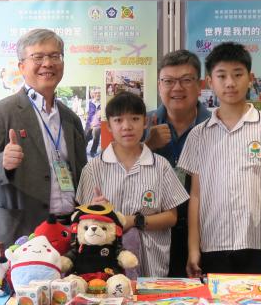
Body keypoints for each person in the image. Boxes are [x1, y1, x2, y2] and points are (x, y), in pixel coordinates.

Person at [178, 42, 261, 275]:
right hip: (214, 243)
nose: (230, 83)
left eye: (237, 74)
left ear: (250, 78)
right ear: (209, 82)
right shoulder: (198, 135)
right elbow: (195, 196)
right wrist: (193, 249)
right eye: (221, 76)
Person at [0, 28, 87, 245]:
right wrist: (2, 162)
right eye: (38, 57)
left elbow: (81, 176)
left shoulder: (71, 119)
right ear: (22, 66)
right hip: (21, 236)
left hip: (67, 234)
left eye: (55, 56)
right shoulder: (1, 112)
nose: (48, 63)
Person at [76, 92, 189, 277]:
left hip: (152, 263)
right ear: (109, 125)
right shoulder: (93, 168)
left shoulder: (160, 166)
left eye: (135, 119)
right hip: (107, 265)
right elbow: (82, 222)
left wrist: (135, 221)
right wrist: (96, 212)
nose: (127, 126)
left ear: (145, 122)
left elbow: (171, 217)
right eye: (118, 120)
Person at [145, 50, 212, 277]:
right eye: (168, 81)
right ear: (159, 85)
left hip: (205, 233)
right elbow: (118, 167)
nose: (177, 88)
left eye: (186, 80)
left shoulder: (215, 126)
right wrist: (147, 145)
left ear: (200, 85)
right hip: (153, 232)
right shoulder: (141, 123)